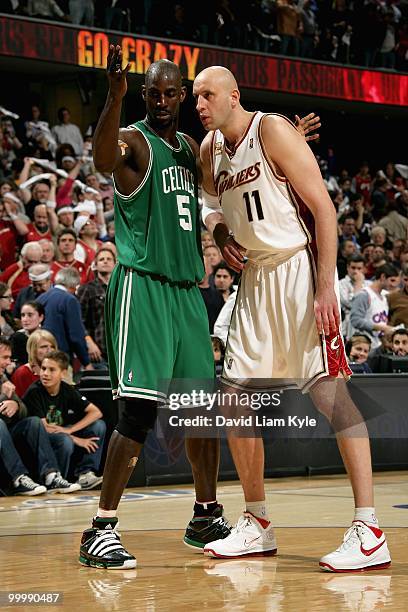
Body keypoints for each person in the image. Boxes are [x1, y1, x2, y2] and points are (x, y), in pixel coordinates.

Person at [78, 46, 321, 570]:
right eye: (153, 93)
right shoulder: (133, 142)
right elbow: (100, 161)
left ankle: (205, 513)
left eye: (171, 93)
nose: (163, 101)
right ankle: (100, 527)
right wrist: (114, 97)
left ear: (183, 96)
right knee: (138, 412)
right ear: (144, 95)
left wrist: (289, 145)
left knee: (199, 413)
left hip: (189, 292)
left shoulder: (193, 148)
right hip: (143, 287)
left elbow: (227, 187)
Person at [193, 65, 391, 571]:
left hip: (297, 271)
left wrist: (326, 286)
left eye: (207, 95)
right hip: (254, 281)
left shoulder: (272, 129)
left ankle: (368, 529)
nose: (199, 104)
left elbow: (324, 209)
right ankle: (257, 521)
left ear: (234, 96)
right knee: (234, 398)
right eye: (196, 97)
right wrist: (218, 234)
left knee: (330, 393)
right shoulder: (208, 150)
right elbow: (208, 204)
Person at [0, 336, 80, 495]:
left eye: (9, 357)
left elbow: (24, 409)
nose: (9, 362)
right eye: (5, 357)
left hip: (9, 434)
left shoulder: (2, 377)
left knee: (34, 422)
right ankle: (19, 478)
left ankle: (51, 476)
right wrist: (2, 397)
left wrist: (15, 404)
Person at [24, 350, 105, 489]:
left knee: (98, 425)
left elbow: (96, 412)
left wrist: (70, 430)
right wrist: (75, 438)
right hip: (41, 439)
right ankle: (54, 479)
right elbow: (45, 428)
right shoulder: (34, 392)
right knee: (65, 440)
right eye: (43, 369)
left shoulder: (66, 389)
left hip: (62, 432)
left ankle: (85, 474)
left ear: (63, 373)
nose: (45, 374)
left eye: (51, 370)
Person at [37, 267, 92, 370]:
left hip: (41, 357)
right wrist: (86, 362)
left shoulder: (41, 298)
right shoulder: (70, 300)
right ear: (74, 286)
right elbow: (76, 335)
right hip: (61, 359)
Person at [349, 264, 399, 350]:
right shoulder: (364, 295)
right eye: (392, 280)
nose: (393, 285)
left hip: (376, 346)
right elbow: (355, 320)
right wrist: (383, 328)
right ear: (383, 277)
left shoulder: (384, 297)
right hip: (361, 346)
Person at [12, 329, 57, 398]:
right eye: (44, 347)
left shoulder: (58, 370)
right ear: (33, 350)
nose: (50, 350)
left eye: (52, 347)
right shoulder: (22, 373)